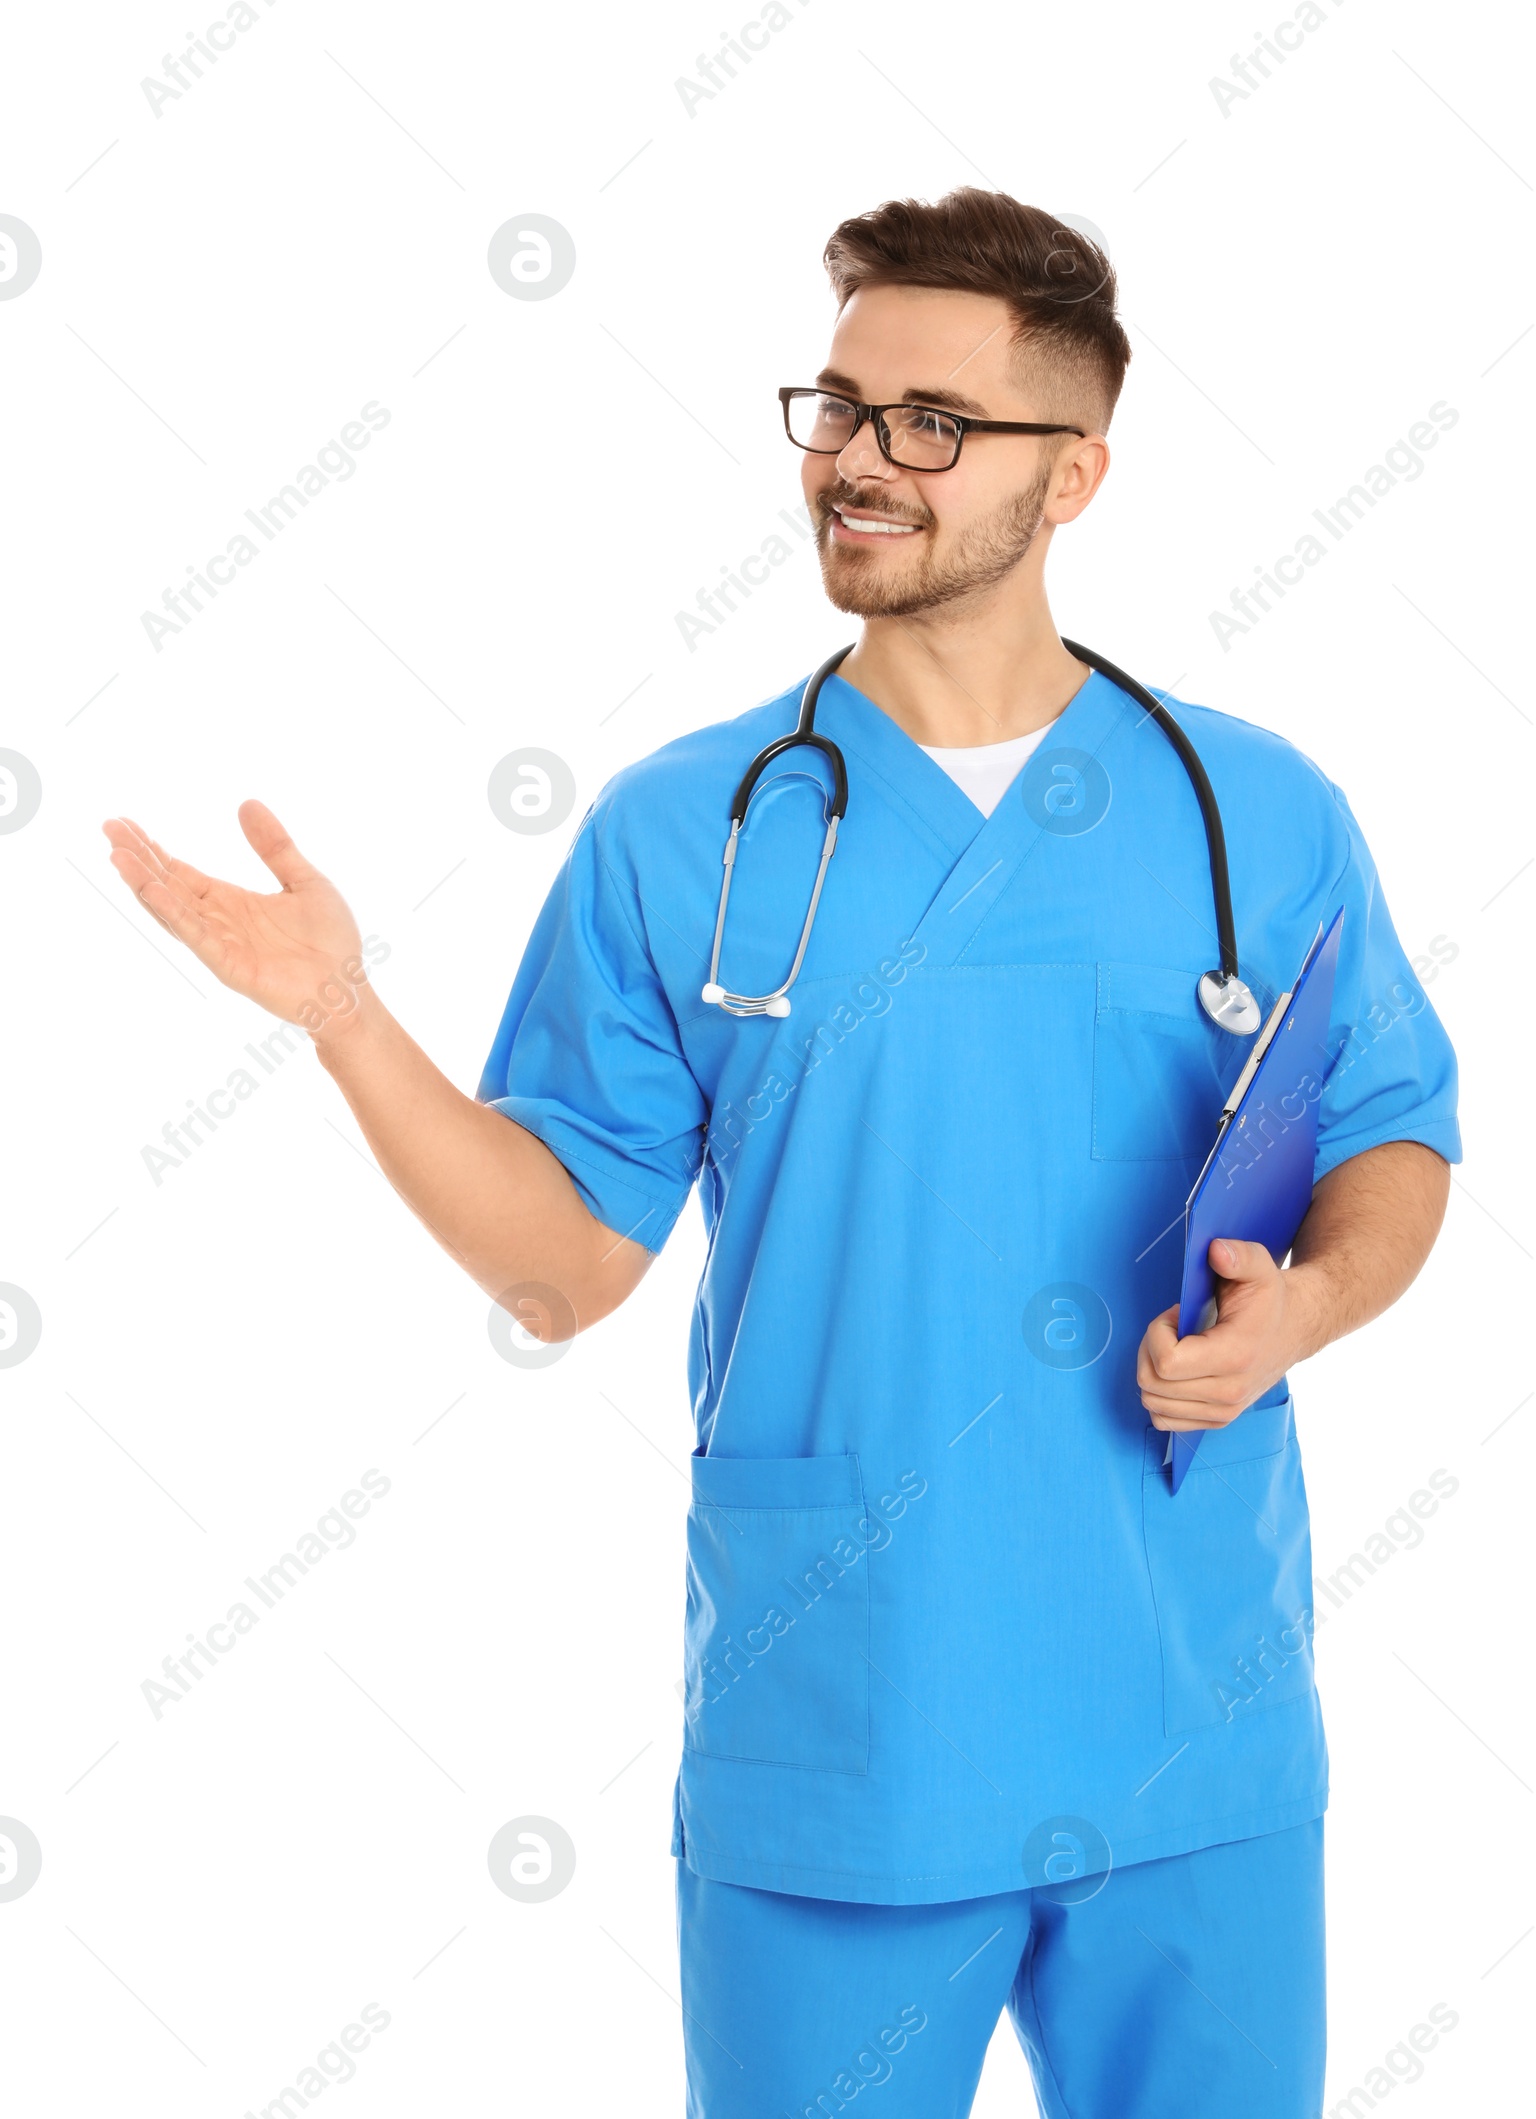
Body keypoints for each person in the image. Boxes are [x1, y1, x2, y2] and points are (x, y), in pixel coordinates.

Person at [105, 188, 1459, 2119]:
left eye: (930, 422)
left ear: (1072, 475)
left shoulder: (1252, 806)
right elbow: (562, 1269)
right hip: (852, 1728)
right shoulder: (689, 833)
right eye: (835, 409)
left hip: (1192, 1721)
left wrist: (1309, 1304)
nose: (859, 462)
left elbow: (1393, 1143)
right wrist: (345, 1019)